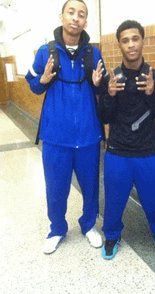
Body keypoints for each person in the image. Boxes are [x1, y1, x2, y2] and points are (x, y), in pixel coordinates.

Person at [26, 0, 106, 254]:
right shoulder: (45, 51)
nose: (75, 18)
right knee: (56, 188)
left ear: (85, 21)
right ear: (61, 16)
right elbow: (33, 84)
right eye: (71, 12)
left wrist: (98, 84)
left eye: (81, 14)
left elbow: (101, 89)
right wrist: (42, 79)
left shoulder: (93, 53)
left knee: (91, 186)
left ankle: (88, 225)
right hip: (55, 137)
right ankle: (57, 229)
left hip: (88, 135)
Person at [98, 20, 155, 261]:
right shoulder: (112, 79)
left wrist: (152, 94)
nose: (131, 45)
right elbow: (104, 117)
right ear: (119, 44)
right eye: (125, 40)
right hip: (117, 153)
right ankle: (111, 235)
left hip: (147, 152)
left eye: (135, 39)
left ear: (143, 41)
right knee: (113, 202)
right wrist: (108, 95)